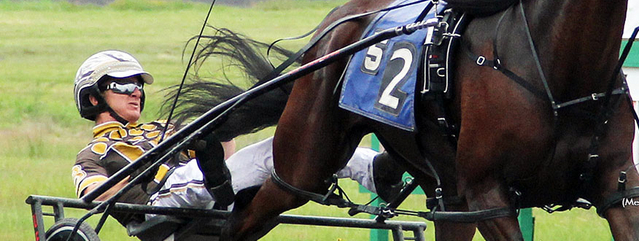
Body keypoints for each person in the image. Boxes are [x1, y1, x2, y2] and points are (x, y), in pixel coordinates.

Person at [71, 50, 404, 226]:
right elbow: (95, 196)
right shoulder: (91, 155)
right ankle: (212, 176)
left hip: (214, 188)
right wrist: (142, 174)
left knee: (282, 148)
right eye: (123, 85)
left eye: (139, 85)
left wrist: (222, 134)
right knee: (189, 174)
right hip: (157, 207)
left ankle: (375, 170)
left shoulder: (164, 126)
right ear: (94, 97)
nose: (136, 93)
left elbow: (229, 153)